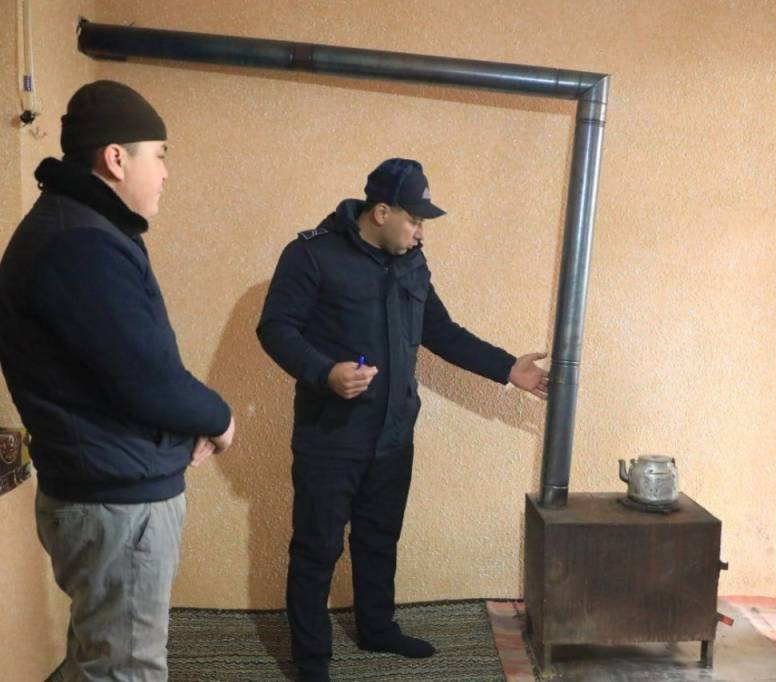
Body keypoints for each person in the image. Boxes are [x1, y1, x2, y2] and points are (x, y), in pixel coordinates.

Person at [257, 158, 548, 681]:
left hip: (393, 435)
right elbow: (275, 328)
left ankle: (377, 628)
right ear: (381, 212)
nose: (420, 232)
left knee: (378, 538)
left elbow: (441, 331)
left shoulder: (412, 262)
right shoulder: (311, 255)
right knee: (316, 549)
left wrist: (507, 369)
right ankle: (311, 660)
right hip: (330, 437)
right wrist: (326, 373)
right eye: (414, 220)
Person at [0, 80, 236, 680]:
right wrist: (219, 418)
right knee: (124, 670)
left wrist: (185, 423)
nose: (166, 173)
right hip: (115, 502)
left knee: (101, 656)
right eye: (159, 155)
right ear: (115, 158)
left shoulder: (80, 228)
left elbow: (124, 369)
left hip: (107, 490)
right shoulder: (80, 243)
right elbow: (146, 380)